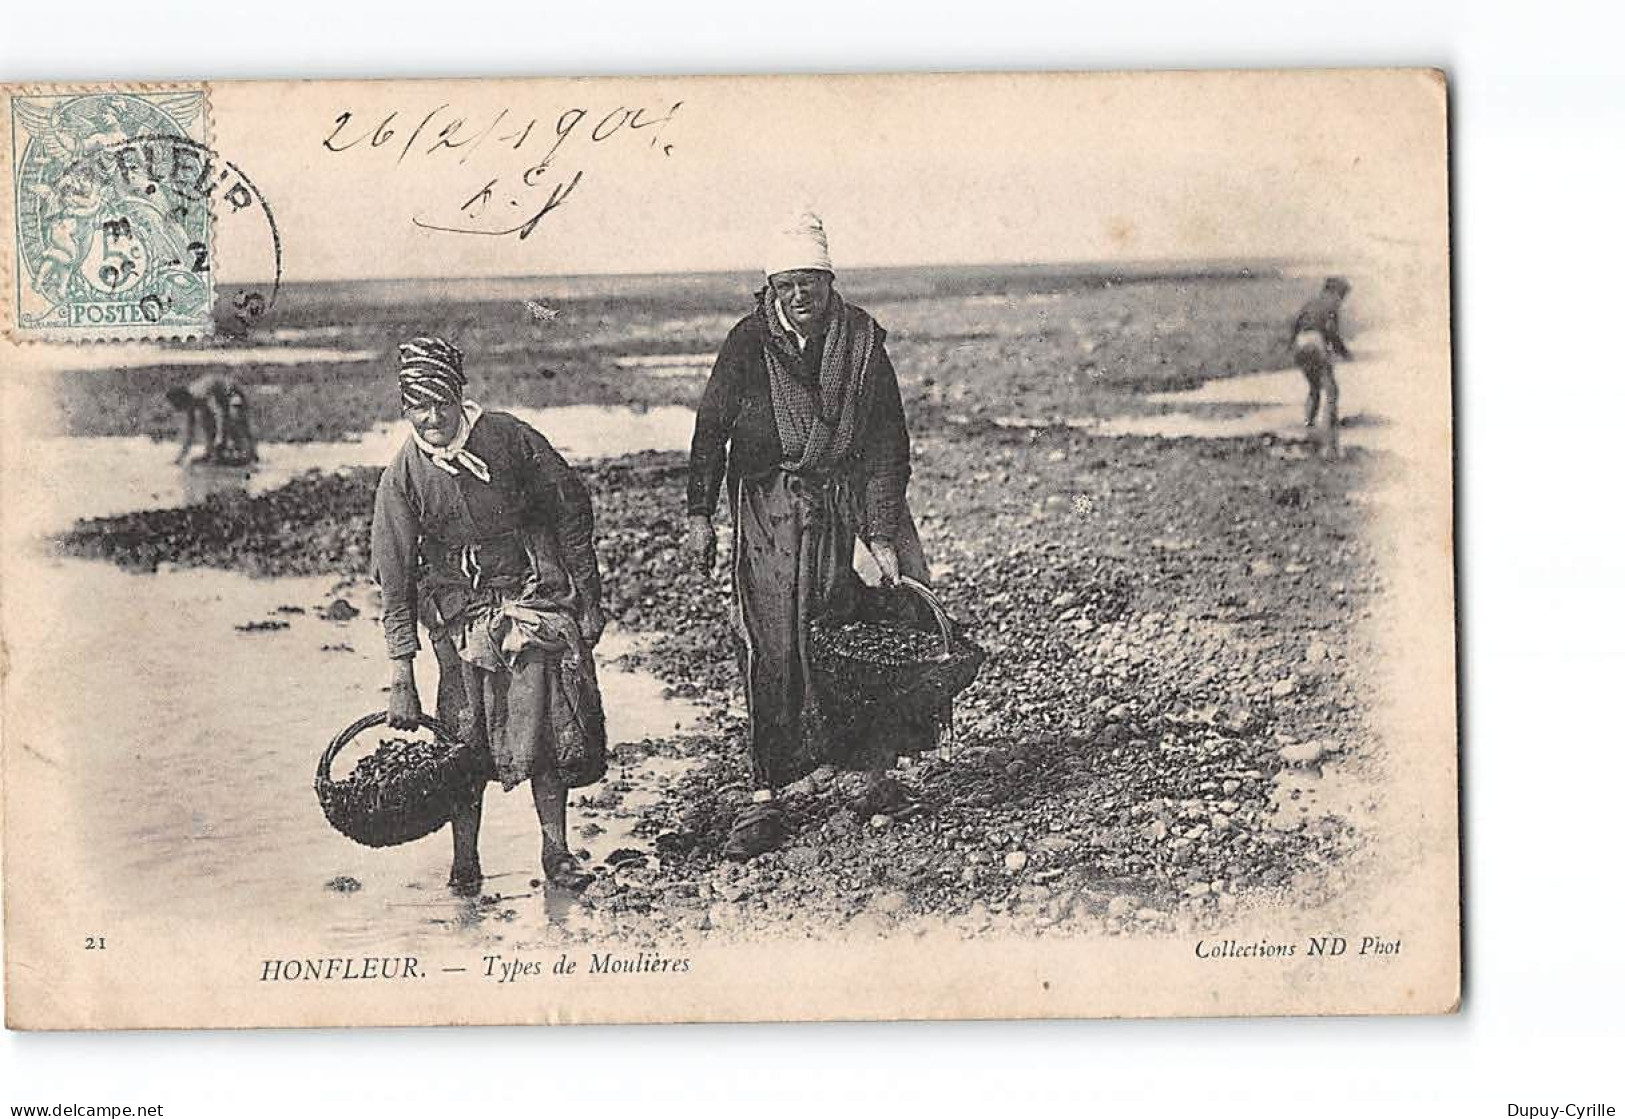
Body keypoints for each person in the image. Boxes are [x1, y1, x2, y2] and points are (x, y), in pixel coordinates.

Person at [684, 211, 938, 861]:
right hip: (770, 508)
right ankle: (768, 791)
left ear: (830, 283)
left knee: (866, 631)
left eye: (812, 283)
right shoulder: (747, 342)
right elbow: (711, 428)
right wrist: (698, 515)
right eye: (788, 285)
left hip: (845, 504)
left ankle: (866, 773)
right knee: (774, 645)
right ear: (771, 289)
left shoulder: (860, 343)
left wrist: (879, 534)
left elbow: (887, 443)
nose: (801, 296)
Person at [370, 336, 608, 895]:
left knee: (546, 729)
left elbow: (570, 505)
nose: (432, 417)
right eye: (418, 404)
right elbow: (395, 581)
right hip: (459, 617)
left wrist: (589, 597)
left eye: (442, 401)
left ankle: (556, 851)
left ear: (461, 396)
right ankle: (465, 865)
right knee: (463, 740)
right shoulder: (403, 478)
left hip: (533, 597)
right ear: (405, 407)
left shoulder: (508, 438)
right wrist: (401, 675)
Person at [1290, 276, 1354, 458]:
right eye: (1342, 295)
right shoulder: (1331, 306)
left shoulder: (1310, 304)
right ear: (1335, 292)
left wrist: (1292, 346)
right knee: (1332, 390)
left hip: (1300, 342)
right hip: (1315, 342)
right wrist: (1344, 353)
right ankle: (1329, 432)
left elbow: (1295, 326)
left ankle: (1310, 425)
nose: (1342, 300)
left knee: (1314, 388)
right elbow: (1331, 332)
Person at [166, 373, 258, 465]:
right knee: (205, 421)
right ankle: (212, 452)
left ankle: (250, 452)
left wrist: (219, 438)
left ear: (185, 400)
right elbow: (190, 433)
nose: (182, 410)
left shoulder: (201, 394)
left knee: (234, 417)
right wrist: (180, 458)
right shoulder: (190, 404)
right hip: (219, 398)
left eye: (180, 406)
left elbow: (219, 414)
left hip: (232, 391)